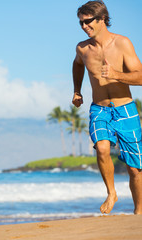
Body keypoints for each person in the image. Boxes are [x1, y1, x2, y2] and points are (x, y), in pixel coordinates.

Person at [72, 0, 142, 214]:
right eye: (81, 23)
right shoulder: (82, 48)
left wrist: (116, 75)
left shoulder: (122, 43)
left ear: (102, 19)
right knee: (102, 147)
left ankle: (139, 212)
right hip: (99, 109)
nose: (84, 26)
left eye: (88, 21)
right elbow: (76, 64)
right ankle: (111, 193)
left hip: (125, 109)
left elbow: (140, 76)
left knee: (135, 169)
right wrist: (77, 90)